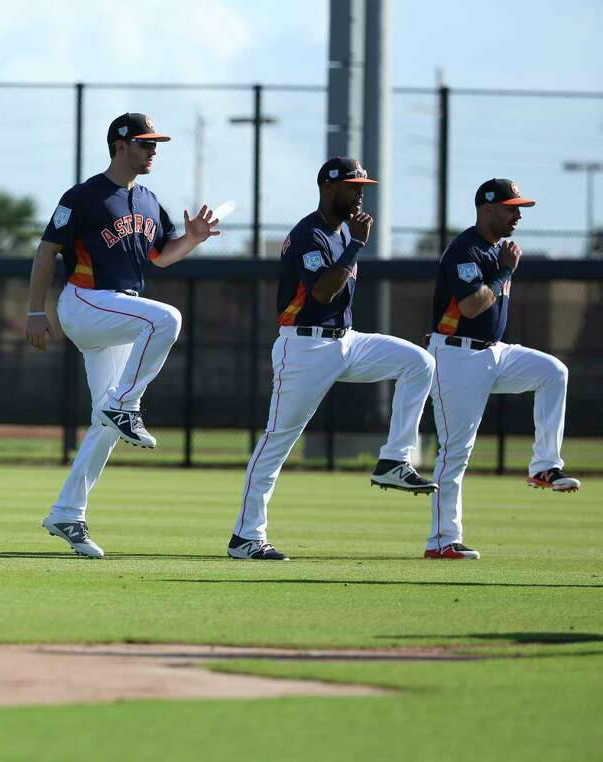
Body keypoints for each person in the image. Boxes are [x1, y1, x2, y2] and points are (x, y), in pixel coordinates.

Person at [26, 112, 222, 558]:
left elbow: (160, 257)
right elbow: (46, 252)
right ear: (120, 145)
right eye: (145, 144)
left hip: (116, 313)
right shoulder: (84, 196)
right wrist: (37, 310)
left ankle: (66, 513)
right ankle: (126, 405)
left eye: (155, 145)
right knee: (167, 319)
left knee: (104, 424)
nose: (153, 151)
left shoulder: (150, 199)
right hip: (85, 302)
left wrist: (190, 240)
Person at [227, 157, 438, 562]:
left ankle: (394, 459)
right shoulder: (310, 235)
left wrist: (353, 242)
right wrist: (358, 244)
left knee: (419, 363)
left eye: (363, 186)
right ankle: (246, 537)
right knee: (276, 442)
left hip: (346, 342)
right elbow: (322, 293)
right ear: (328, 187)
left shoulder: (341, 233)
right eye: (353, 186)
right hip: (304, 347)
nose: (361, 193)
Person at [425, 179, 580, 560]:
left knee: (553, 372)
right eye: (511, 207)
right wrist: (505, 270)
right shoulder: (466, 249)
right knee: (455, 451)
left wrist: (503, 265)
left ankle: (545, 466)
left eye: (519, 207)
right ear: (487, 208)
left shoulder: (497, 249)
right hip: (456, 356)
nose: (518, 215)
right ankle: (442, 540)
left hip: (494, 353)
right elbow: (472, 306)